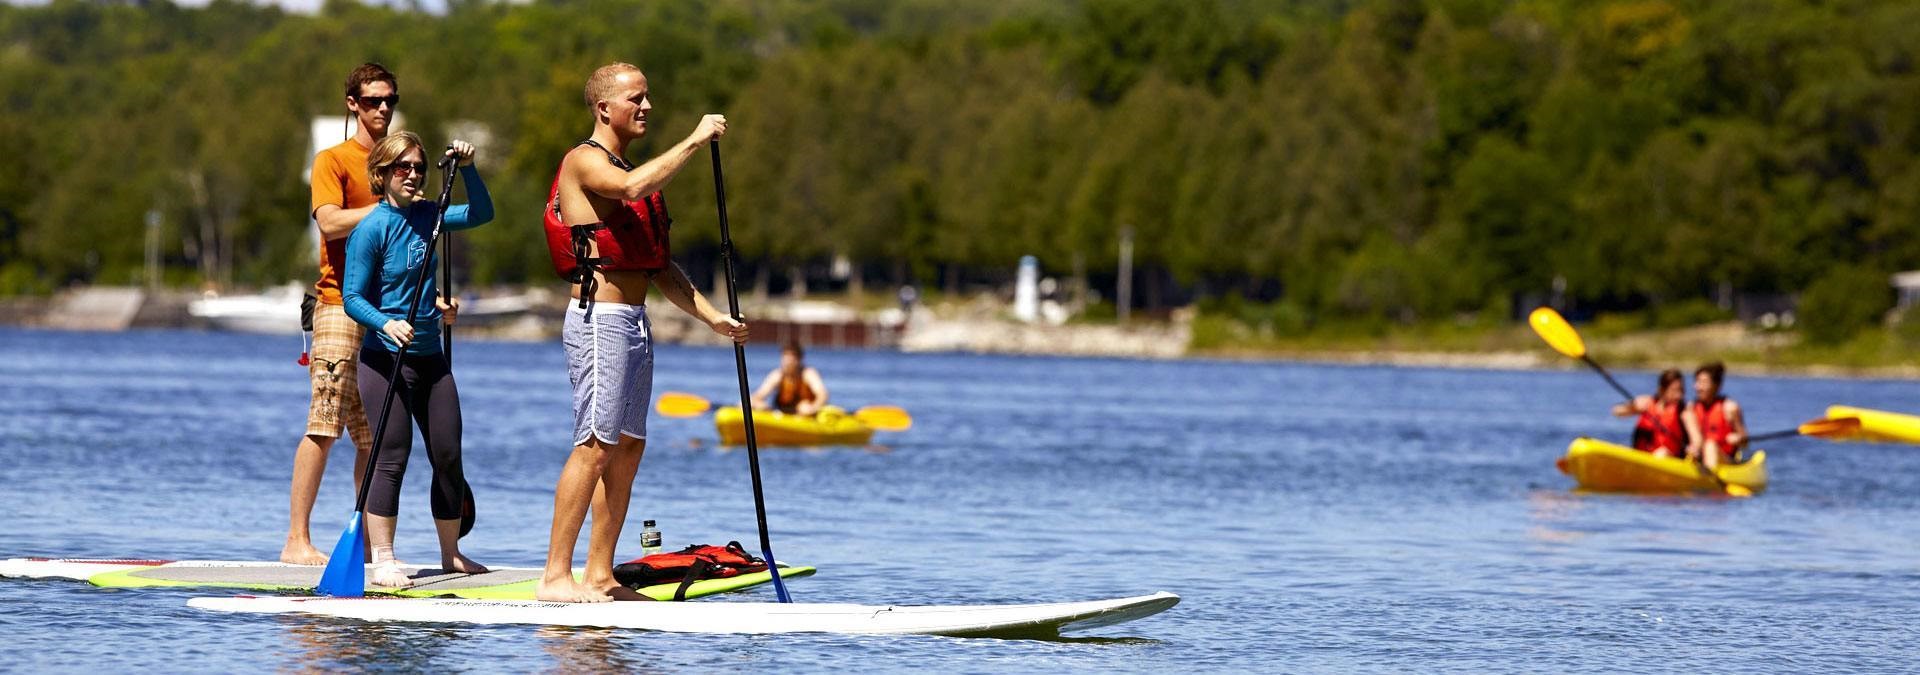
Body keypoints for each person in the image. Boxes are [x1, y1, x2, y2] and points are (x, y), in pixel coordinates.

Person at [535, 63, 748, 603]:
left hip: (634, 323)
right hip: (598, 321)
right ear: (605, 108)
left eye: (649, 96)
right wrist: (696, 142)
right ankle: (555, 576)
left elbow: (658, 266)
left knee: (628, 447)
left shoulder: (634, 171)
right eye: (636, 98)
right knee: (595, 445)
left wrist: (713, 317)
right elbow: (631, 186)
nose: (647, 106)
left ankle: (601, 574)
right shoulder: (585, 161)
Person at [341, 132, 493, 587]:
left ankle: (451, 554)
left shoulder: (431, 215)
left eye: (418, 168)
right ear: (381, 174)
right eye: (401, 168)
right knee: (392, 456)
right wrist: (386, 322)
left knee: (448, 454)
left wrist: (468, 169)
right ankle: (384, 558)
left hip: (430, 357)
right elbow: (352, 298)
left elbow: (484, 213)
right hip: (384, 359)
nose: (411, 175)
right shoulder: (372, 228)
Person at [282, 63, 396, 565]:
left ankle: (368, 546)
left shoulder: (399, 163)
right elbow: (329, 223)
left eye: (389, 99)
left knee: (375, 439)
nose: (383, 108)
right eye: (372, 100)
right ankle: (296, 541)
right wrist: (387, 208)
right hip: (336, 307)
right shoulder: (333, 160)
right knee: (324, 424)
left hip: (386, 312)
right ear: (353, 103)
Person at [1610, 369, 1696, 459]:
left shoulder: (1685, 411)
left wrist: (1694, 448)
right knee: (1620, 448)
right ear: (1662, 390)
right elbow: (1616, 411)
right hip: (1642, 456)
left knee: (1661, 453)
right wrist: (1632, 406)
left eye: (1681, 390)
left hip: (1670, 459)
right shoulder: (1647, 403)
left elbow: (1696, 439)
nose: (1679, 395)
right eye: (1674, 390)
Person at [1689, 361, 1748, 471]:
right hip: (1698, 458)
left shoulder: (1730, 408)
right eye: (1697, 381)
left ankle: (1709, 482)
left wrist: (1739, 438)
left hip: (1725, 460)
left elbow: (1745, 441)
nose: (1698, 387)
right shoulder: (1690, 408)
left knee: (1710, 445)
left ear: (1716, 386)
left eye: (1704, 382)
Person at [751, 339, 829, 416]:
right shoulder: (777, 375)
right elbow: (760, 394)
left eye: (792, 357)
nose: (788, 362)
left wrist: (813, 408)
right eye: (785, 357)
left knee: (803, 408)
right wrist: (756, 403)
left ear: (799, 359)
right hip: (783, 413)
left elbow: (822, 395)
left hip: (806, 414)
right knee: (754, 403)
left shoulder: (808, 374)